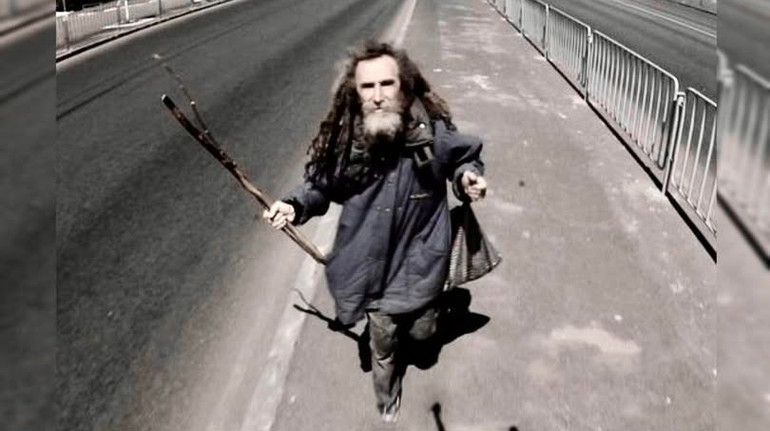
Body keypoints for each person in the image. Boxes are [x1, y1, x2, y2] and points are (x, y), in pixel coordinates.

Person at [263, 40, 487, 423]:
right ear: (356, 92)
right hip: (374, 273)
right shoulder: (348, 145)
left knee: (423, 334)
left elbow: (463, 158)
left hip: (424, 266)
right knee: (383, 348)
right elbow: (320, 186)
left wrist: (468, 178)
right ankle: (387, 397)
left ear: (404, 86)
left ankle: (417, 331)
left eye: (387, 84)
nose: (378, 96)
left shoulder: (432, 134)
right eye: (368, 87)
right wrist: (294, 205)